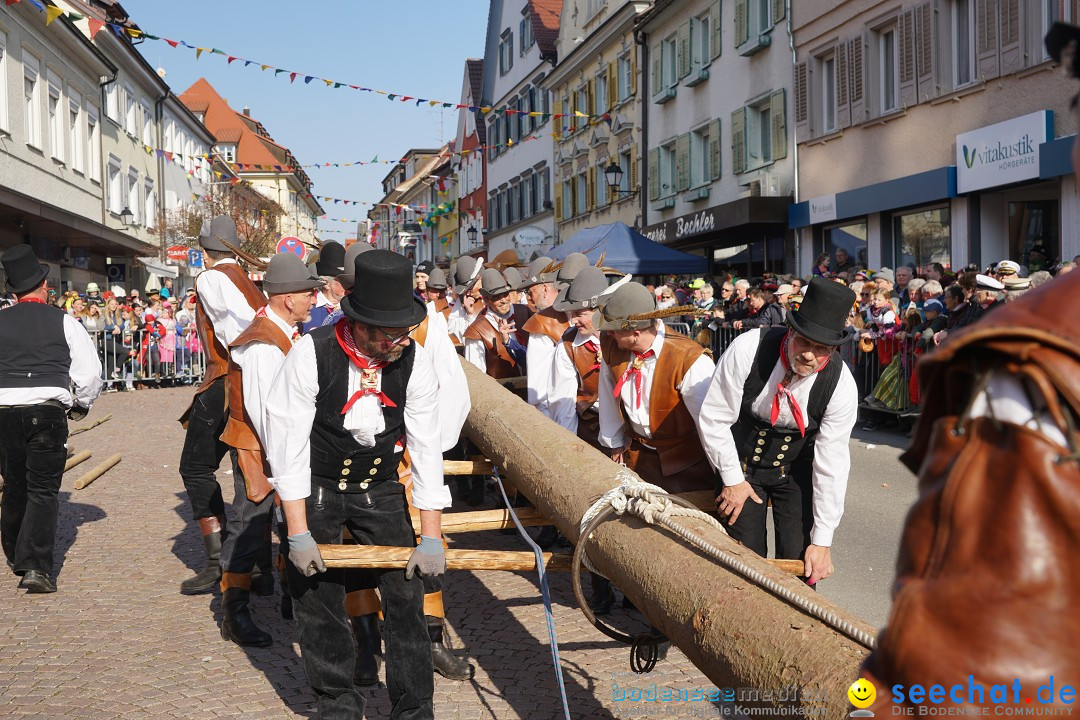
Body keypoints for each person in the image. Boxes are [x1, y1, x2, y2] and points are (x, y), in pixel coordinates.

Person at [264, 249, 451, 720]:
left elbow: (427, 448)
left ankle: (414, 708)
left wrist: (430, 535)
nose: (400, 342)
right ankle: (338, 704)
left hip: (381, 486)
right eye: (390, 334)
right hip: (319, 486)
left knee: (407, 594)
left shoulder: (416, 360)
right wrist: (298, 532)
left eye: (404, 331)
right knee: (317, 596)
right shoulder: (312, 353)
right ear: (360, 325)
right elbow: (287, 449)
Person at [698, 278, 858, 585]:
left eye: (821, 348)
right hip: (740, 466)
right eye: (804, 342)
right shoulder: (748, 348)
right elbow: (715, 418)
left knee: (803, 562)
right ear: (791, 332)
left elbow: (832, 463)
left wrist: (823, 541)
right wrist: (732, 480)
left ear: (835, 349)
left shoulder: (841, 385)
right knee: (745, 565)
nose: (809, 355)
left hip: (795, 471)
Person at [214, 253, 322, 648]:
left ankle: (292, 599)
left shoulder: (282, 333)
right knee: (249, 525)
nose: (314, 298)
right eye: (308, 292)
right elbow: (265, 414)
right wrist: (284, 462)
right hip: (258, 448)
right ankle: (234, 613)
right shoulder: (262, 343)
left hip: (276, 446)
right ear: (286, 298)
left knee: (278, 521)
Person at [0, 246, 102, 593]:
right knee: (43, 491)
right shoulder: (64, 321)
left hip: (4, 412)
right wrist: (81, 404)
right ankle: (36, 567)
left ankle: (15, 554)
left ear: (13, 291)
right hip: (46, 410)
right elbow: (89, 373)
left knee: (14, 485)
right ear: (43, 286)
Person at [177, 216, 267, 595]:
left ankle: (220, 562)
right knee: (247, 469)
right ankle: (259, 568)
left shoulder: (211, 278)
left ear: (204, 251)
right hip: (251, 379)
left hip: (228, 379)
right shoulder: (249, 281)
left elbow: (236, 332)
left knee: (195, 467)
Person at [597, 282, 716, 494]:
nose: (608, 335)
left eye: (613, 329)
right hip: (637, 460)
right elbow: (607, 398)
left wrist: (729, 478)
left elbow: (712, 424)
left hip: (688, 467)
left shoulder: (690, 359)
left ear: (635, 332)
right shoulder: (612, 347)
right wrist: (615, 443)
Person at [521, 254, 581, 416]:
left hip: (564, 413)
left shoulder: (541, 322)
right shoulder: (593, 317)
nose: (530, 298)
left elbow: (538, 390)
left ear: (545, 289)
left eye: (531, 291)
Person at [463, 268, 530, 379]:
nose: (503, 300)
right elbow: (476, 377)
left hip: (533, 391)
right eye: (496, 297)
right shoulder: (476, 331)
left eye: (505, 294)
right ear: (486, 300)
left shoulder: (525, 312)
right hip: (502, 393)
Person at [301, 243, 347, 334]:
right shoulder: (305, 307)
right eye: (343, 281)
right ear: (326, 283)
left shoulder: (351, 309)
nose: (348, 285)